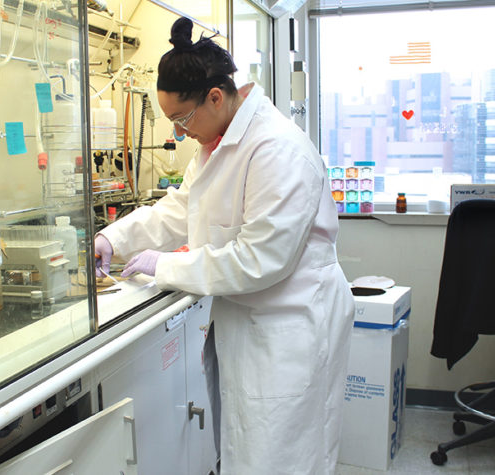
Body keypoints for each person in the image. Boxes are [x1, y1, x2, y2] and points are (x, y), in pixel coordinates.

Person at [94, 17, 354, 475]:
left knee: (283, 460)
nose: (178, 132)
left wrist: (165, 267)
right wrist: (112, 238)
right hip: (248, 326)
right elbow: (177, 210)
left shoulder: (276, 150)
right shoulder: (217, 143)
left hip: (288, 329)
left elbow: (260, 260)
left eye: (182, 119)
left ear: (215, 96)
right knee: (248, 454)